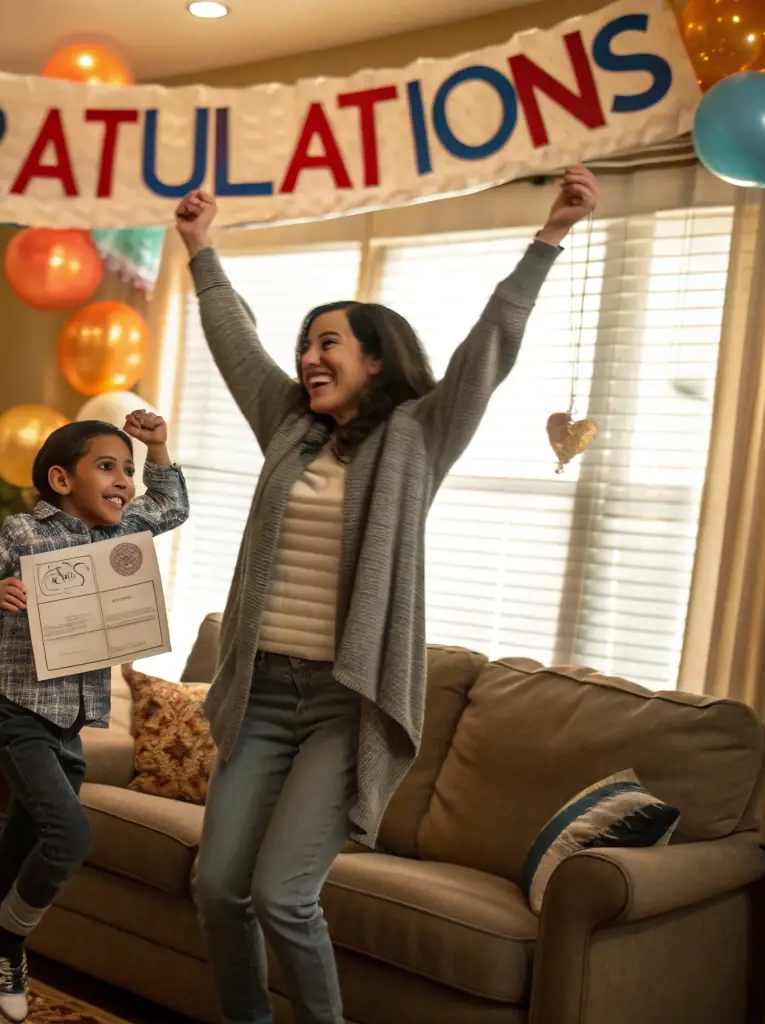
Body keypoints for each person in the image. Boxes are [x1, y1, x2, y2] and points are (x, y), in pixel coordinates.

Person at [174, 167, 599, 1024]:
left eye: (327, 343)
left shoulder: (417, 436)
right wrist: (200, 251)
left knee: (283, 896)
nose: (307, 357)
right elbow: (233, 342)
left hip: (343, 703)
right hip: (260, 692)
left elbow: (490, 347)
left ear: (375, 359)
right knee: (218, 888)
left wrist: (547, 240)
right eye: (305, 344)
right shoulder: (287, 423)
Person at [0, 413, 189, 1024]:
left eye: (128, 471)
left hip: (74, 719)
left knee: (10, 854)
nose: (125, 482)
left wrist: (157, 446)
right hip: (18, 710)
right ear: (60, 478)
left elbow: (172, 505)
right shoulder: (25, 532)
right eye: (107, 467)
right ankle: (4, 942)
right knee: (71, 836)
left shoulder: (124, 532)